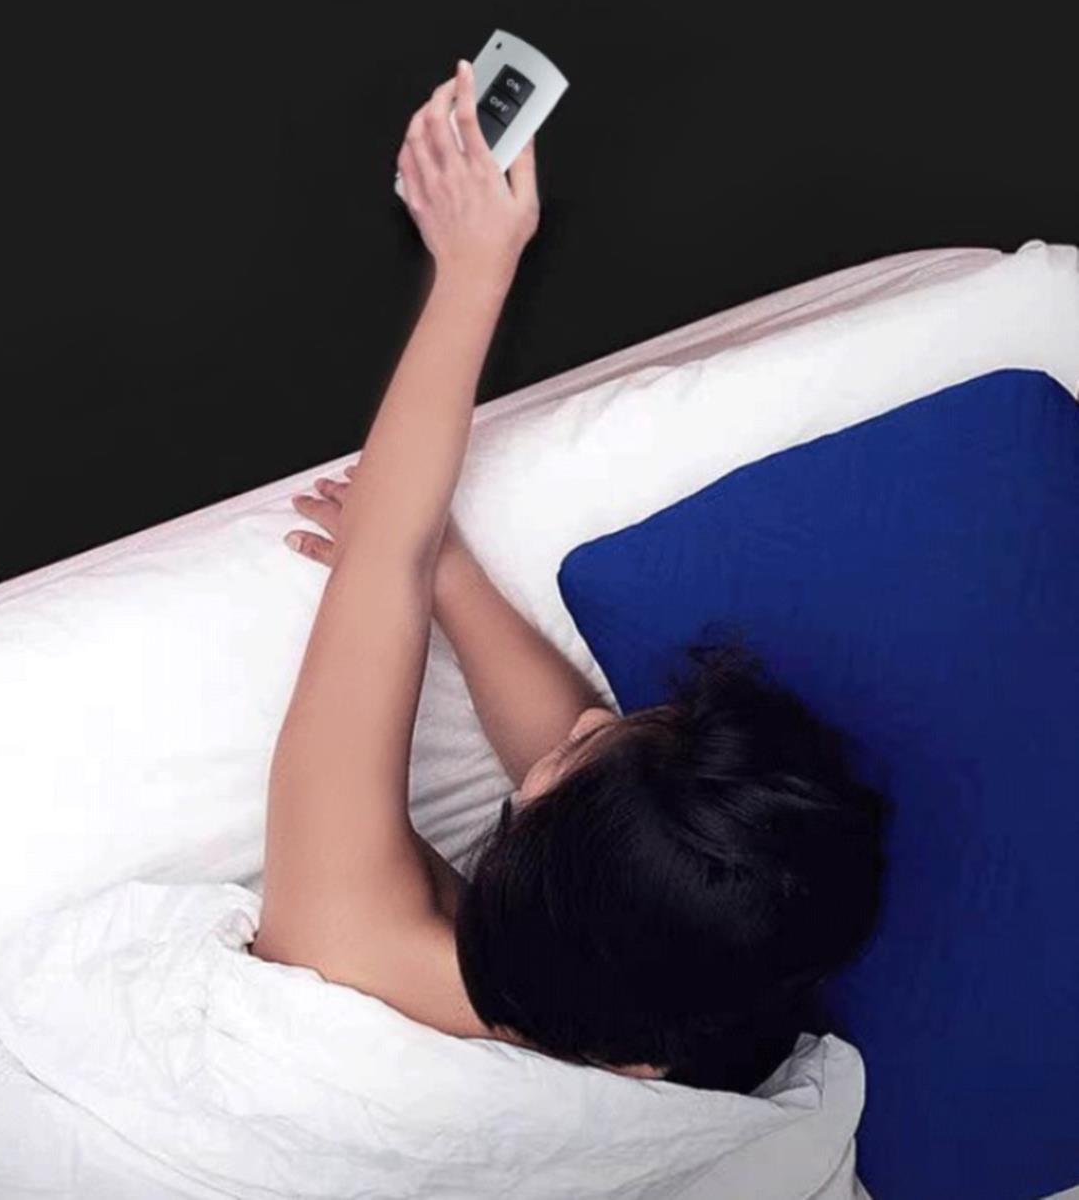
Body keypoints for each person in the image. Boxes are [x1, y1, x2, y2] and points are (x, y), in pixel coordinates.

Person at [250, 59, 889, 1094]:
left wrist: (473, 268)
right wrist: (453, 575)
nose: (582, 717)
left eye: (570, 754)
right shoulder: (706, 1015)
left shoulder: (348, 939)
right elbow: (623, 822)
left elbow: (382, 554)